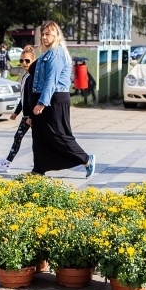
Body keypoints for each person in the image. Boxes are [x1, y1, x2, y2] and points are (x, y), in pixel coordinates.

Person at [31, 21, 95, 177]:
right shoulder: (47, 53)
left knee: (58, 134)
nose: (44, 37)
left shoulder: (56, 53)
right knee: (39, 135)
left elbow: (51, 81)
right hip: (45, 97)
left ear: (56, 35)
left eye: (48, 34)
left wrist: (41, 103)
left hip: (54, 99)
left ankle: (86, 159)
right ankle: (38, 169)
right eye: (43, 34)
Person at [0, 46, 37, 172]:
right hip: (27, 116)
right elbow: (23, 98)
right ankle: (8, 162)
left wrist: (32, 117)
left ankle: (40, 166)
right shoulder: (25, 77)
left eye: (27, 61)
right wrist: (16, 112)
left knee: (39, 142)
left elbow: (33, 99)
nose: (24, 64)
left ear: (33, 60)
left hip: (32, 116)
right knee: (20, 138)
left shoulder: (32, 77)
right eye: (21, 61)